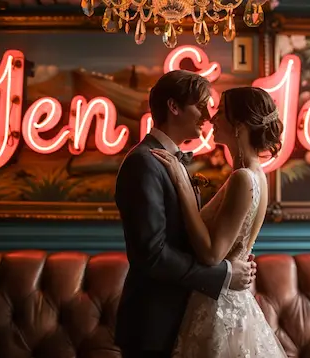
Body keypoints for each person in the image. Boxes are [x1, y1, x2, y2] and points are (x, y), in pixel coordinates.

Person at [114, 70, 257, 358]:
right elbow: (151, 254)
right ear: (174, 107)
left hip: (179, 316)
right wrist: (224, 273)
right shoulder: (143, 163)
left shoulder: (167, 160)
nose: (208, 114)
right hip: (153, 322)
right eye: (200, 105)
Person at [151, 86, 288, 357]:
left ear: (239, 126)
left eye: (221, 113)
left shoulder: (243, 179)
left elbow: (212, 254)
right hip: (228, 296)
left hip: (219, 304)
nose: (212, 119)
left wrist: (182, 185)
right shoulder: (258, 176)